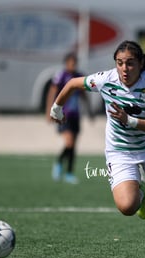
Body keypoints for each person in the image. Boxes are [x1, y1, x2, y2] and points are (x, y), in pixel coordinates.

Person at [50, 40, 145, 258]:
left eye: (130, 63)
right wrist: (56, 107)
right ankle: (140, 190)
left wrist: (128, 120)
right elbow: (72, 83)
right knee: (127, 206)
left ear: (140, 64)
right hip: (120, 152)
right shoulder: (105, 80)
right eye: (120, 63)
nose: (124, 69)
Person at [46, 52, 91, 184]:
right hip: (63, 115)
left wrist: (90, 111)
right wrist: (49, 111)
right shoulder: (61, 76)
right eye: (71, 62)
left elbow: (83, 95)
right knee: (69, 143)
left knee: (74, 145)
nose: (73, 65)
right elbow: (52, 93)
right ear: (66, 63)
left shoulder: (78, 76)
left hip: (75, 115)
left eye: (75, 62)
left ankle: (69, 173)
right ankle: (59, 163)